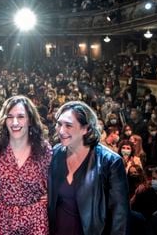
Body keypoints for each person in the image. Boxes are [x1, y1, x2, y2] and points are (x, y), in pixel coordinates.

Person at [48, 101, 129, 235]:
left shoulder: (110, 162)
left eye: (68, 125)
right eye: (59, 124)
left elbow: (120, 216)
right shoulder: (55, 153)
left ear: (86, 128)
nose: (61, 130)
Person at [0, 95, 52, 235]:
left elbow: (56, 180)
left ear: (30, 120)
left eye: (20, 117)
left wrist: (52, 195)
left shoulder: (44, 149)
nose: (14, 122)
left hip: (35, 218)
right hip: (5, 218)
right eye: (10, 117)